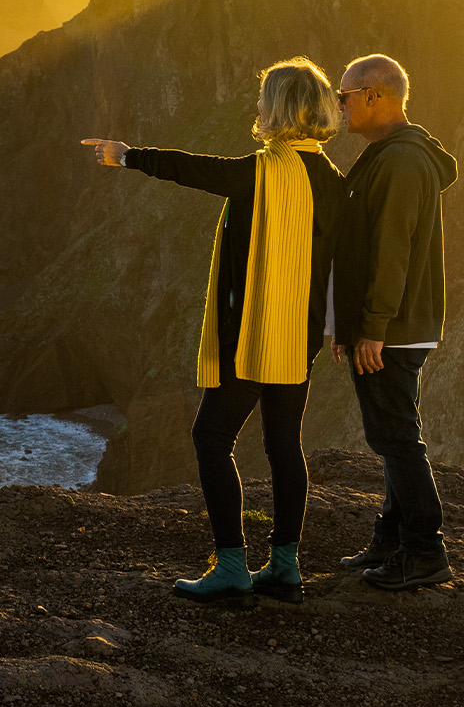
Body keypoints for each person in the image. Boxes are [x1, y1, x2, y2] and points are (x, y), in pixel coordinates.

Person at [82, 58, 345, 606]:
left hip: (250, 335)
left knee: (211, 437)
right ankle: (285, 567)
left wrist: (127, 155)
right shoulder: (333, 182)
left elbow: (194, 169)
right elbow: (343, 264)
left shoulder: (261, 171)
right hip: (298, 339)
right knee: (283, 446)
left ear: (279, 108)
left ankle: (230, 567)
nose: (256, 108)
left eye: (263, 100)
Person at [330, 53, 458, 591]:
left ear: (375, 96)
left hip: (394, 327)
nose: (339, 106)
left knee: (397, 437)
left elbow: (392, 249)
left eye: (345, 96)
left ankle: (425, 552)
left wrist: (374, 325)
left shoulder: (401, 161)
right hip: (393, 324)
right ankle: (392, 539)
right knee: (391, 434)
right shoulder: (391, 154)